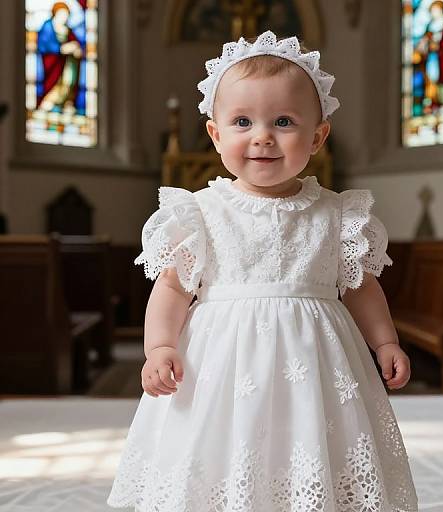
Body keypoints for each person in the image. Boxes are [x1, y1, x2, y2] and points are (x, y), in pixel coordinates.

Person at [107, 30, 419, 511]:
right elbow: (171, 289)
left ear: (317, 136)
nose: (262, 136)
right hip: (221, 362)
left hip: (316, 361)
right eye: (242, 121)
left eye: (283, 121)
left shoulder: (337, 214)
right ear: (215, 134)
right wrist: (160, 347)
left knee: (312, 440)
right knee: (224, 444)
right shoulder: (200, 212)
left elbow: (360, 286)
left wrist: (385, 341)